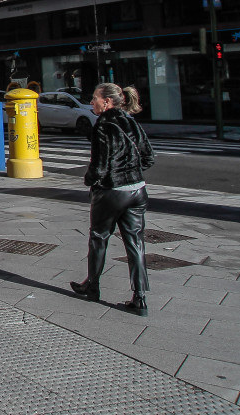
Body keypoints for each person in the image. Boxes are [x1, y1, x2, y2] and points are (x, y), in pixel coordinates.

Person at [70, 82, 155, 316]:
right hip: (137, 190)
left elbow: (99, 166)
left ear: (106, 102)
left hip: (111, 191)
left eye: (94, 98)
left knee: (99, 237)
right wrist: (132, 172)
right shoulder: (131, 122)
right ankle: (140, 298)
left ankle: (92, 285)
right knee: (135, 243)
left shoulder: (103, 126)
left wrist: (90, 181)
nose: (91, 103)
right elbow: (148, 157)